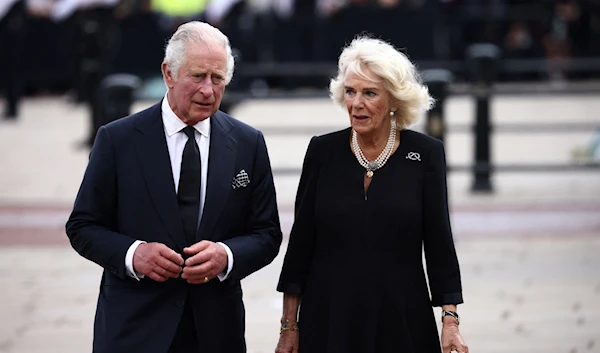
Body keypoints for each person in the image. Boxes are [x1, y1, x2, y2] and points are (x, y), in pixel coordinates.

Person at [66, 21, 282, 353]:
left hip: (215, 331)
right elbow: (82, 226)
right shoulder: (118, 139)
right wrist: (133, 254)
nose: (209, 90)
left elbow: (267, 234)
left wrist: (225, 256)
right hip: (135, 329)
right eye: (197, 76)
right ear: (169, 74)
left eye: (218, 78)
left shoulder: (247, 143)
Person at [275, 36, 468, 353]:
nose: (356, 103)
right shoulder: (322, 152)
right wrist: (289, 327)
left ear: (394, 100)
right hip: (329, 319)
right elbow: (300, 246)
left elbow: (439, 245)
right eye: (350, 91)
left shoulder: (425, 154)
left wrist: (450, 323)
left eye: (369, 93)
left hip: (402, 317)